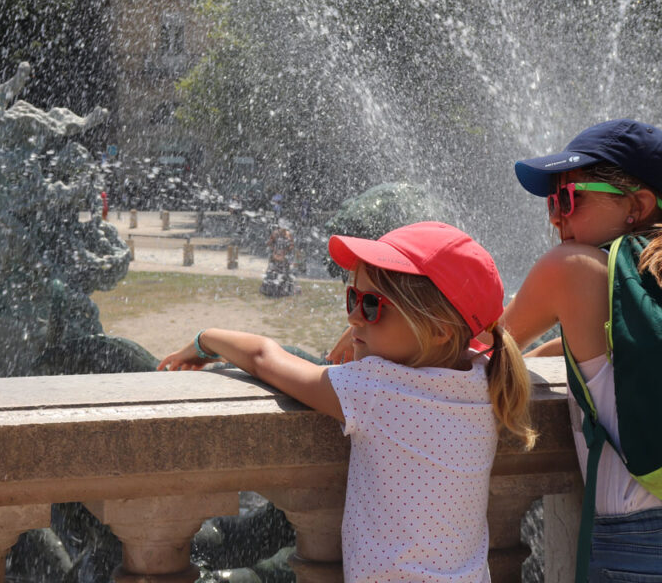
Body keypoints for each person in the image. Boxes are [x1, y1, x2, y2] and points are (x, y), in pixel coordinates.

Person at [158, 221, 535, 582]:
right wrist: (365, 328)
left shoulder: (375, 389)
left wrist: (203, 341)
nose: (354, 316)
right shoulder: (485, 376)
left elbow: (263, 359)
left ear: (437, 328)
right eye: (352, 298)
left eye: (371, 305)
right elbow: (470, 334)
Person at [501, 118, 662, 581]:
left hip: (639, 545)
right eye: (552, 203)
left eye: (569, 198)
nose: (555, 217)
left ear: (637, 205)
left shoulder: (572, 267)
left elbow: (483, 352)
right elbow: (618, 348)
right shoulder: (643, 283)